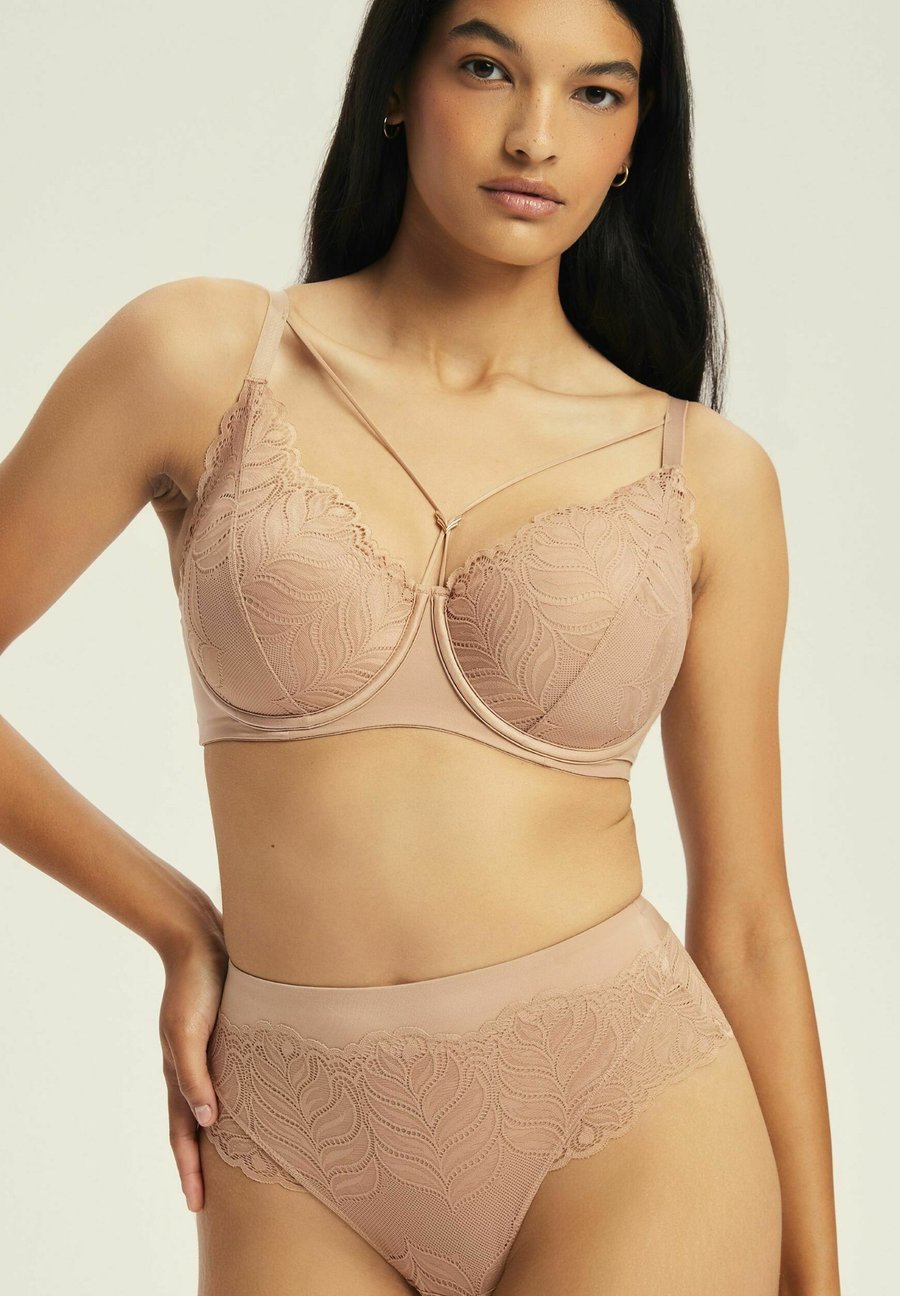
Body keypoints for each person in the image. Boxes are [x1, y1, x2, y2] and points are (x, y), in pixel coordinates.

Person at [0, 2, 842, 1294]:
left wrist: (822, 1282)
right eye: (488, 68)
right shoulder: (203, 358)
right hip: (288, 1129)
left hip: (629, 1114)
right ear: (398, 84)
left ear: (637, 141)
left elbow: (747, 919)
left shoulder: (708, 476)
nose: (536, 136)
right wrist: (175, 921)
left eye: (598, 93)